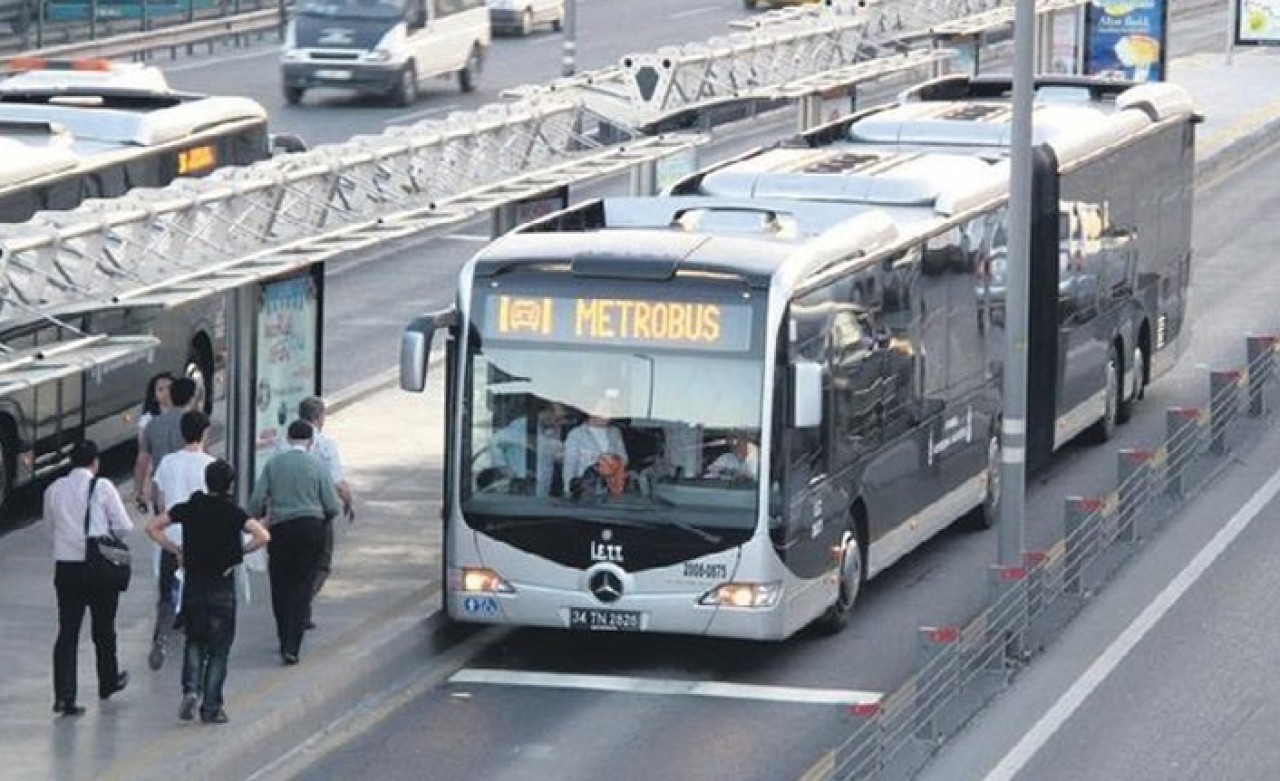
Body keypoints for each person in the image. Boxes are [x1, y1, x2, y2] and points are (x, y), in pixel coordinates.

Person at [147, 460, 269, 725]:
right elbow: (262, 536)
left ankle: (191, 690)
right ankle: (211, 707)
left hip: (194, 588)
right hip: (222, 590)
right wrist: (239, 554)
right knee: (219, 650)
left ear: (207, 481)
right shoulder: (233, 512)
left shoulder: (190, 508)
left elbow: (152, 527)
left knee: (194, 642)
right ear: (230, 485)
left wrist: (174, 548)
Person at [47, 440, 132, 716]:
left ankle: (64, 696)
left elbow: (50, 525)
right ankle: (107, 681)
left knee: (68, 631)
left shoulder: (54, 489)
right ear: (95, 462)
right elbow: (123, 526)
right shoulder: (103, 487)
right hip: (98, 566)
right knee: (104, 627)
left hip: (66, 567)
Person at [250, 420, 341, 665]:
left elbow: (257, 499)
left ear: (288, 439)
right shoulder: (316, 465)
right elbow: (332, 505)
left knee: (280, 584)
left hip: (281, 529)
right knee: (302, 585)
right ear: (310, 441)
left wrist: (257, 517)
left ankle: (282, 637)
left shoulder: (273, 464)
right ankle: (293, 645)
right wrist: (324, 521)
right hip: (311, 528)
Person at [137, 377, 199, 671]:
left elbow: (143, 462)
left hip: (167, 504)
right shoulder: (194, 424)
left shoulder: (153, 426)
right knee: (194, 567)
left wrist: (140, 492)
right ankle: (186, 615)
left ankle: (164, 621)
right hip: (192, 506)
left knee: (168, 564)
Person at [294, 396, 354, 630]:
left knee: (295, 563)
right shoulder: (326, 444)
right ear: (319, 418)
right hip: (317, 512)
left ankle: (300, 607)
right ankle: (302, 602)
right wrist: (348, 502)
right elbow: (337, 481)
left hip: (287, 512)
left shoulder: (283, 442)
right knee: (321, 563)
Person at [492, 401, 566, 496]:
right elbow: (496, 441)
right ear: (547, 412)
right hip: (520, 491)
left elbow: (556, 454)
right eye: (557, 419)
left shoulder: (547, 433)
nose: (559, 423)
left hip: (541, 494)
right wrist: (503, 467)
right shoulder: (520, 427)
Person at [563, 393, 629, 497]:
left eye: (610, 410)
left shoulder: (615, 433)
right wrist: (568, 491)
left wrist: (612, 461)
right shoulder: (576, 434)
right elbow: (570, 465)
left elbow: (624, 459)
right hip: (585, 494)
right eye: (603, 409)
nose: (608, 414)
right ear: (590, 410)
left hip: (611, 492)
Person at [132, 371, 173, 510]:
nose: (166, 392)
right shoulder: (147, 421)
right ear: (154, 394)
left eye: (169, 388)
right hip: (159, 479)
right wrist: (140, 490)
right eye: (160, 389)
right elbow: (143, 457)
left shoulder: (185, 415)